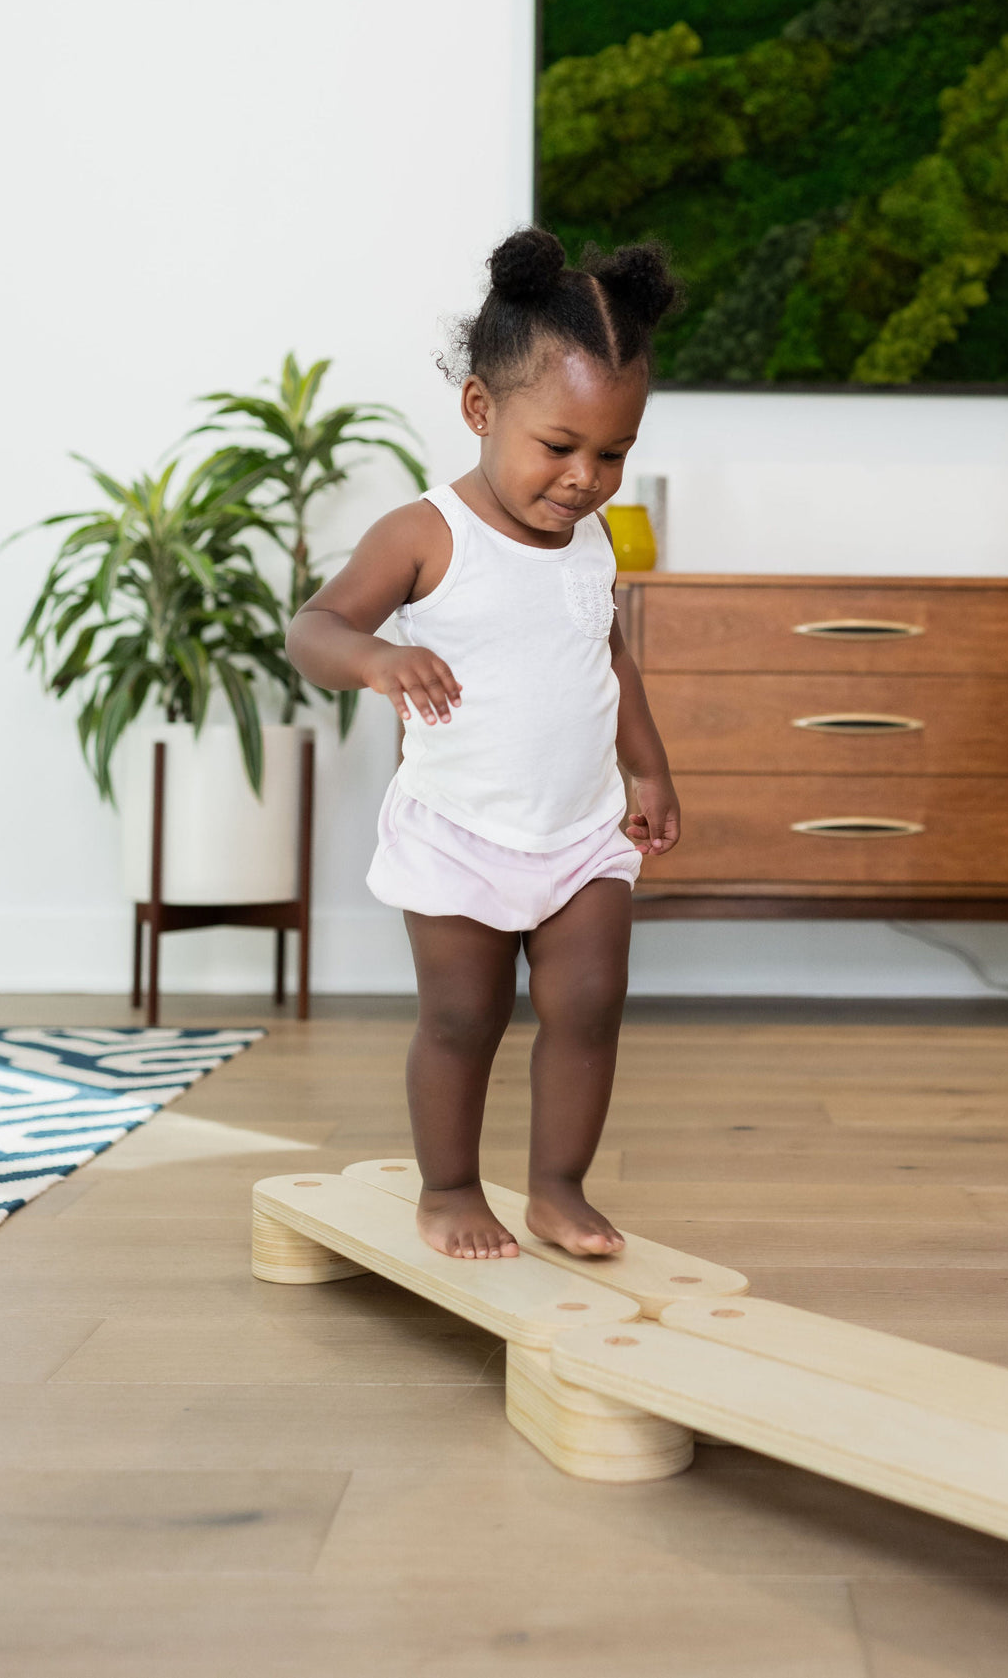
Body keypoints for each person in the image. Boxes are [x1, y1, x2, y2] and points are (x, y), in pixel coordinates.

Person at [286, 227, 682, 1262]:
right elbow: (311, 629)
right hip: (461, 829)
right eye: (560, 446)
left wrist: (646, 765)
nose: (587, 477)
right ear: (480, 409)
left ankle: (557, 1187)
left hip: (580, 825)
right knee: (464, 1017)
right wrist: (377, 661)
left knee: (591, 1004)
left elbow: (606, 655)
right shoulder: (425, 534)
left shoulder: (589, 540)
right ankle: (451, 1186)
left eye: (615, 452)